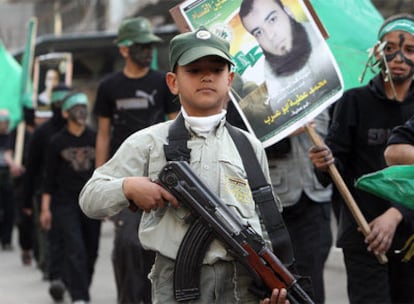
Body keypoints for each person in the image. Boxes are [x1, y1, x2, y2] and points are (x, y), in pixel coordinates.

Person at [80, 27, 290, 304]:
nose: (206, 76)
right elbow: (90, 197)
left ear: (229, 79)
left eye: (215, 70)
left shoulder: (249, 146)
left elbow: (266, 222)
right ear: (173, 82)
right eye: (193, 70)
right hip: (178, 284)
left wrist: (273, 285)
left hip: (243, 285)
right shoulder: (149, 142)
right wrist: (128, 187)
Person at [308, 13, 414, 303]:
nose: (399, 57)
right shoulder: (353, 101)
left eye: (410, 49)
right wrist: (324, 163)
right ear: (377, 51)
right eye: (389, 47)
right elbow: (333, 171)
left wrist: (397, 215)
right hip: (363, 235)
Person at [93, 16, 179, 304]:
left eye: (150, 46)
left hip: (161, 176)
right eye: (141, 46)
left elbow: (175, 126)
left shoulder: (163, 81)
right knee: (128, 246)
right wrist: (101, 178)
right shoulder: (108, 87)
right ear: (125, 49)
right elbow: (104, 134)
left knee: (160, 248)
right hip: (124, 178)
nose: (148, 51)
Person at [40, 92, 101, 304]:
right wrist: (45, 209)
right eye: (76, 108)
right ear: (66, 113)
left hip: (91, 201)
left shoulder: (95, 138)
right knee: (75, 248)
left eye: (84, 106)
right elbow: (48, 178)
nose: (81, 111)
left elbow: (105, 171)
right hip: (64, 203)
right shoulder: (56, 142)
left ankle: (79, 285)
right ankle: (80, 296)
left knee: (91, 250)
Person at [238, 0, 340, 114]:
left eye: (272, 20)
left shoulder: (323, 35)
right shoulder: (269, 68)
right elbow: (282, 113)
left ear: (288, 12)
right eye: (259, 32)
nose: (270, 36)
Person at [23, 84, 70, 291]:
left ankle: (66, 274)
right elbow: (31, 168)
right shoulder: (42, 133)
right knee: (48, 235)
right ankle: (52, 271)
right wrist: (26, 200)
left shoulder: (79, 132)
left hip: (72, 194)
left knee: (73, 240)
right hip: (45, 193)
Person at [4, 107, 36, 265]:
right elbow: (8, 153)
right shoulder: (19, 131)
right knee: (23, 217)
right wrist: (14, 165)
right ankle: (26, 249)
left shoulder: (45, 130)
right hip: (21, 180)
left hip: (38, 179)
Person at [0, 109, 14, 250]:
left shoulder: (11, 137)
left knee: (9, 208)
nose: (3, 126)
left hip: (7, 175)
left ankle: (6, 240)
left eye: (6, 123)